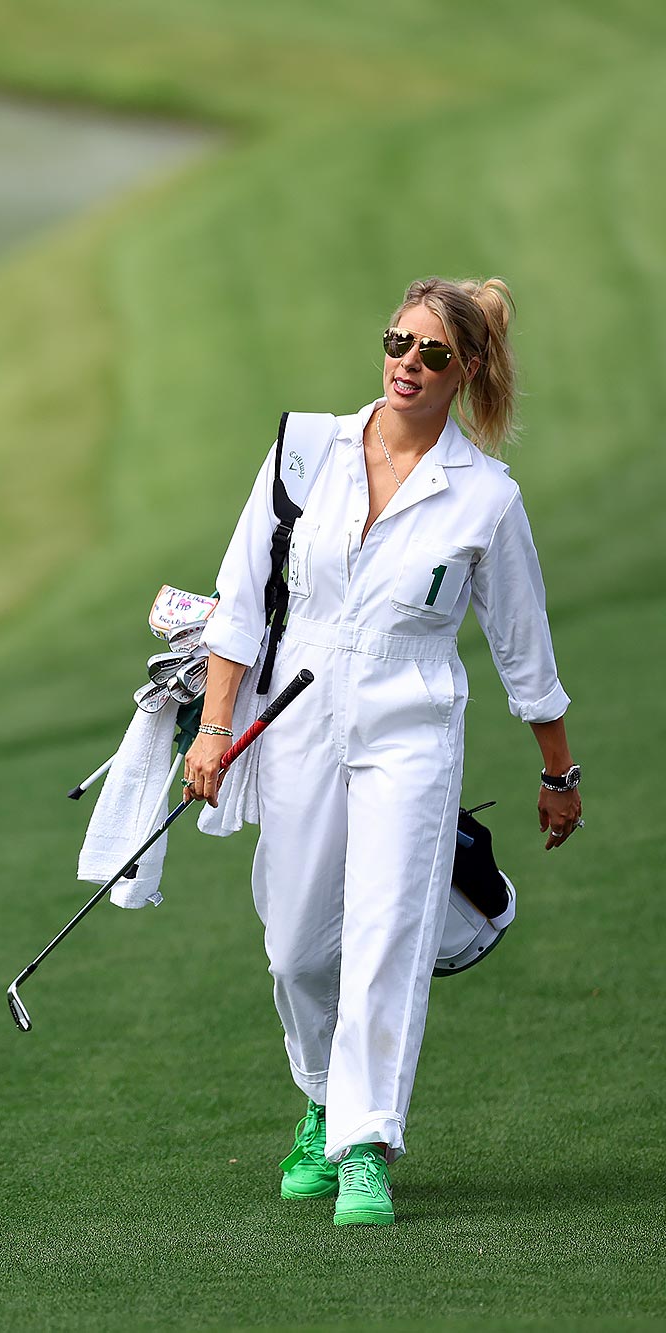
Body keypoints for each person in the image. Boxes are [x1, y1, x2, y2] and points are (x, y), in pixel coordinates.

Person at [183, 277, 581, 1227]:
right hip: (296, 715)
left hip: (413, 721)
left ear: (469, 370)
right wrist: (213, 726)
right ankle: (321, 1097)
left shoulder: (485, 497)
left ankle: (363, 1143)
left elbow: (525, 648)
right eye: (399, 342)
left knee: (384, 936)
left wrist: (556, 771)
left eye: (435, 354)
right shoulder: (306, 448)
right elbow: (242, 597)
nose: (409, 363)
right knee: (293, 946)